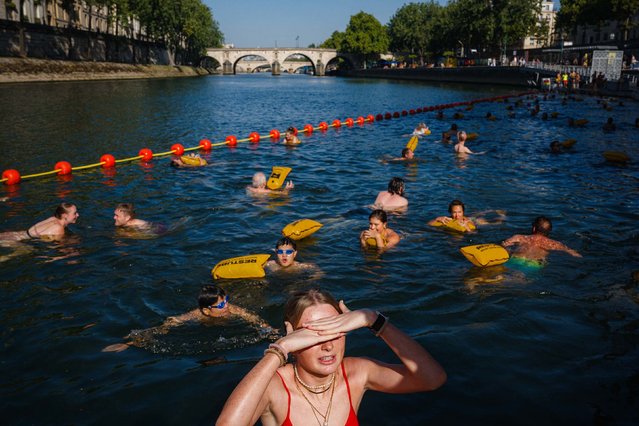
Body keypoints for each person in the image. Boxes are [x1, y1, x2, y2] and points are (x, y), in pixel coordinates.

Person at [216, 288, 446, 425]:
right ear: (292, 334)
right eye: (313, 334)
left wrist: (374, 320)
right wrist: (279, 349)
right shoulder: (274, 386)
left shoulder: (357, 373)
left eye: (336, 331)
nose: (328, 345)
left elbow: (432, 379)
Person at [103, 285, 276, 353]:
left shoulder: (233, 311)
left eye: (226, 301)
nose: (227, 307)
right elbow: (167, 326)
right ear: (207, 311)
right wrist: (131, 342)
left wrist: (271, 332)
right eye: (221, 305)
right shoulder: (196, 316)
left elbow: (255, 319)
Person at [502, 216, 581, 264]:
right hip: (533, 264)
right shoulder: (554, 244)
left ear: (534, 228)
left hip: (515, 259)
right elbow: (574, 253)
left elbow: (504, 245)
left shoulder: (519, 237)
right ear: (549, 231)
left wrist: (509, 249)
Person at [0, 202, 79, 241]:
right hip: (18, 241)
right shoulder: (59, 229)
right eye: (74, 213)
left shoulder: (53, 219)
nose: (77, 215)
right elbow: (54, 246)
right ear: (64, 215)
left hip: (18, 234)